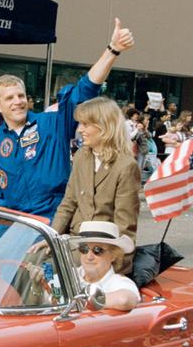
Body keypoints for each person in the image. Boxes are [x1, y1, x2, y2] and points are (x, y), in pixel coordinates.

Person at [0, 18, 134, 220]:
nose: (17, 102)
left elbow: (85, 90)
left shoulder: (52, 124)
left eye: (21, 95)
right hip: (14, 221)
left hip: (52, 218)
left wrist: (112, 50)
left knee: (34, 253)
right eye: (9, 98)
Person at [51, 97, 141, 275]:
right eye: (80, 124)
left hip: (101, 250)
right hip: (75, 241)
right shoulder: (81, 157)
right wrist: (51, 238)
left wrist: (116, 273)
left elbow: (126, 226)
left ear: (104, 126)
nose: (80, 130)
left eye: (86, 124)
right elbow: (69, 202)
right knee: (30, 260)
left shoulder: (126, 166)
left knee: (50, 268)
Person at [70, 221, 139, 312]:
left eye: (98, 250)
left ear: (113, 255)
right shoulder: (69, 273)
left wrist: (81, 301)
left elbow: (124, 300)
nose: (89, 256)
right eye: (84, 249)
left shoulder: (119, 282)